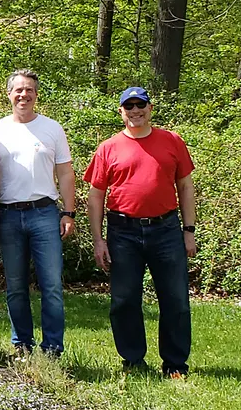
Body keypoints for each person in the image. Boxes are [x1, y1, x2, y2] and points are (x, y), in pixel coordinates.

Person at [84, 86, 197, 378]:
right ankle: (133, 361)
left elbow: (185, 187)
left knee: (175, 300)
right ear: (121, 112)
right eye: (129, 106)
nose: (136, 111)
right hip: (123, 231)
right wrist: (98, 240)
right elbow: (96, 195)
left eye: (140, 105)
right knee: (124, 300)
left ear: (150, 108)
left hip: (167, 229)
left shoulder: (172, 141)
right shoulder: (108, 148)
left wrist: (188, 230)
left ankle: (175, 364)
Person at [0, 70, 75, 356]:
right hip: (9, 215)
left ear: (36, 95)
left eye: (29, 90)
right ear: (9, 94)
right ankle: (22, 345)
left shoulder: (52, 128)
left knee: (51, 285)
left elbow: (65, 172)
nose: (23, 95)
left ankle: (52, 347)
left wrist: (69, 211)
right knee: (15, 286)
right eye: (18, 90)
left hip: (45, 214)